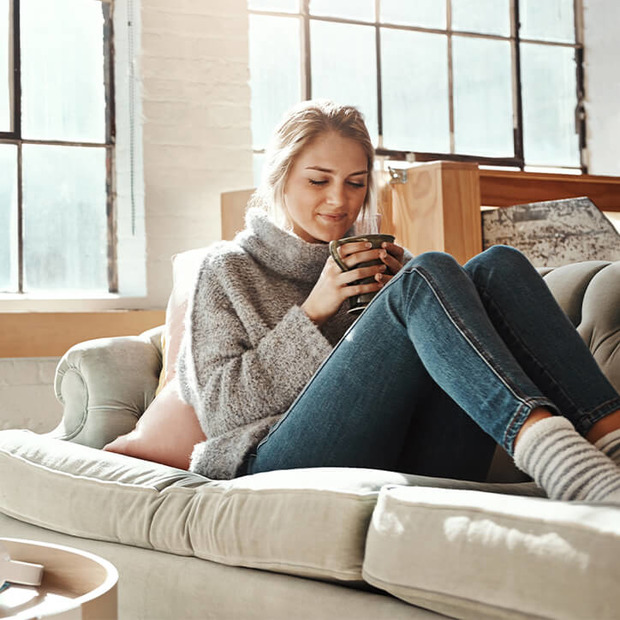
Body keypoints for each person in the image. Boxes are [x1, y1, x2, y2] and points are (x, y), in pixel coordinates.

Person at [177, 99, 620, 503]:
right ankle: (561, 461)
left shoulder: (389, 266)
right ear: (280, 176)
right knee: (424, 275)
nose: (339, 200)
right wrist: (314, 310)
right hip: (275, 460)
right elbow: (221, 412)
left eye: (355, 183)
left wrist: (399, 301)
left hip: (409, 453)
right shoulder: (226, 269)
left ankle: (612, 448)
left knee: (497, 266)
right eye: (318, 181)